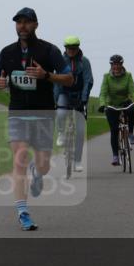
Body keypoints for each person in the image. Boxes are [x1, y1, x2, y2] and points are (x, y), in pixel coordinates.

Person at [0, 7, 73, 231]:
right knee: (18, 160)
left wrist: (46, 75)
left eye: (27, 22)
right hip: (17, 114)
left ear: (36, 25)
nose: (23, 26)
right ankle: (23, 212)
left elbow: (68, 78)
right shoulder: (7, 53)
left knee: (44, 165)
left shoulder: (49, 51)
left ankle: (37, 173)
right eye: (19, 22)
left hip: (44, 115)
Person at [53, 36, 93, 173]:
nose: (71, 50)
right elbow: (57, 81)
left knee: (81, 131)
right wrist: (56, 99)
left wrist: (84, 99)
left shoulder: (85, 62)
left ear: (78, 48)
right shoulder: (60, 61)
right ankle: (61, 133)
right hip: (64, 94)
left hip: (79, 95)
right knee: (61, 113)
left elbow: (88, 80)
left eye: (74, 48)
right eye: (68, 48)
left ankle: (77, 161)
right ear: (65, 48)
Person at [97, 55, 134, 166]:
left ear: (122, 65)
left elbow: (133, 89)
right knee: (114, 130)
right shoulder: (106, 77)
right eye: (113, 64)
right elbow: (103, 93)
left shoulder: (128, 76)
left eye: (118, 64)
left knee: (132, 110)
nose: (116, 67)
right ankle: (115, 156)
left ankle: (130, 133)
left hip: (124, 102)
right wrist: (103, 104)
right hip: (111, 105)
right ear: (111, 65)